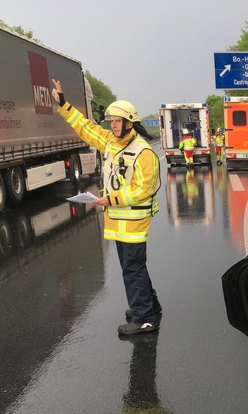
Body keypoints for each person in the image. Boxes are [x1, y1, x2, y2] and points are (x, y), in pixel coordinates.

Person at [51, 79, 162, 335]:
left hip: (133, 220)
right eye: (110, 121)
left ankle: (145, 319)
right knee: (133, 267)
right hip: (118, 220)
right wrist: (64, 104)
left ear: (129, 123)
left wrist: (109, 199)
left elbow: (143, 190)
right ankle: (149, 305)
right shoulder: (111, 141)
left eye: (117, 122)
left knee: (132, 268)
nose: (112, 126)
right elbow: (86, 129)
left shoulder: (144, 153)